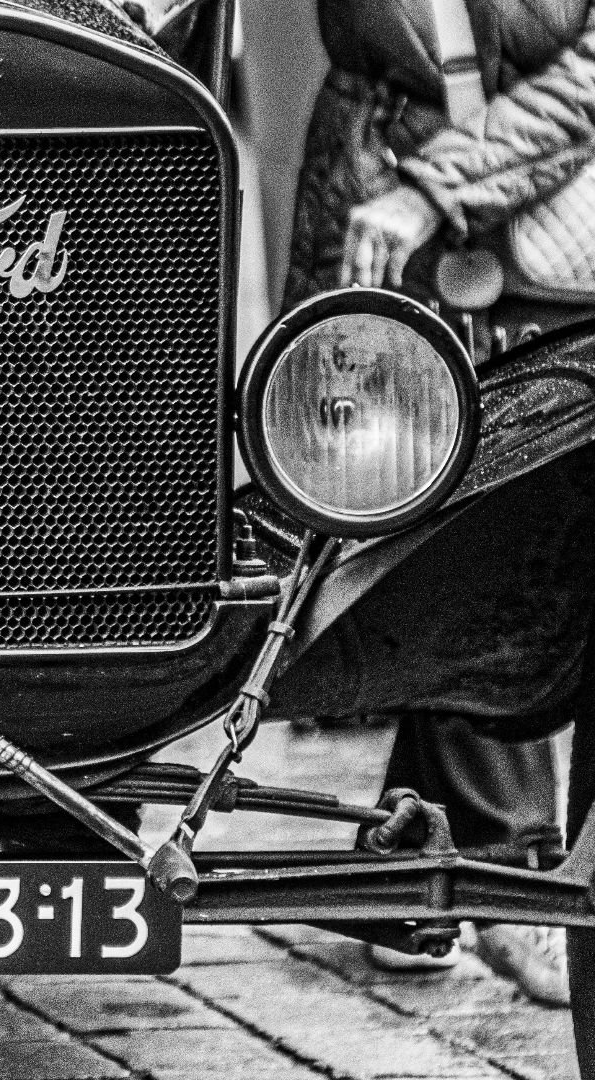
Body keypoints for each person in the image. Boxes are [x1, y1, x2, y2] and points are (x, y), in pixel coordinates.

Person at [282, 0, 595, 1006]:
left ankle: (496, 873)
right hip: (377, 201)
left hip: (528, 226)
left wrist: (439, 184)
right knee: (406, 513)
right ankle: (426, 882)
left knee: (499, 519)